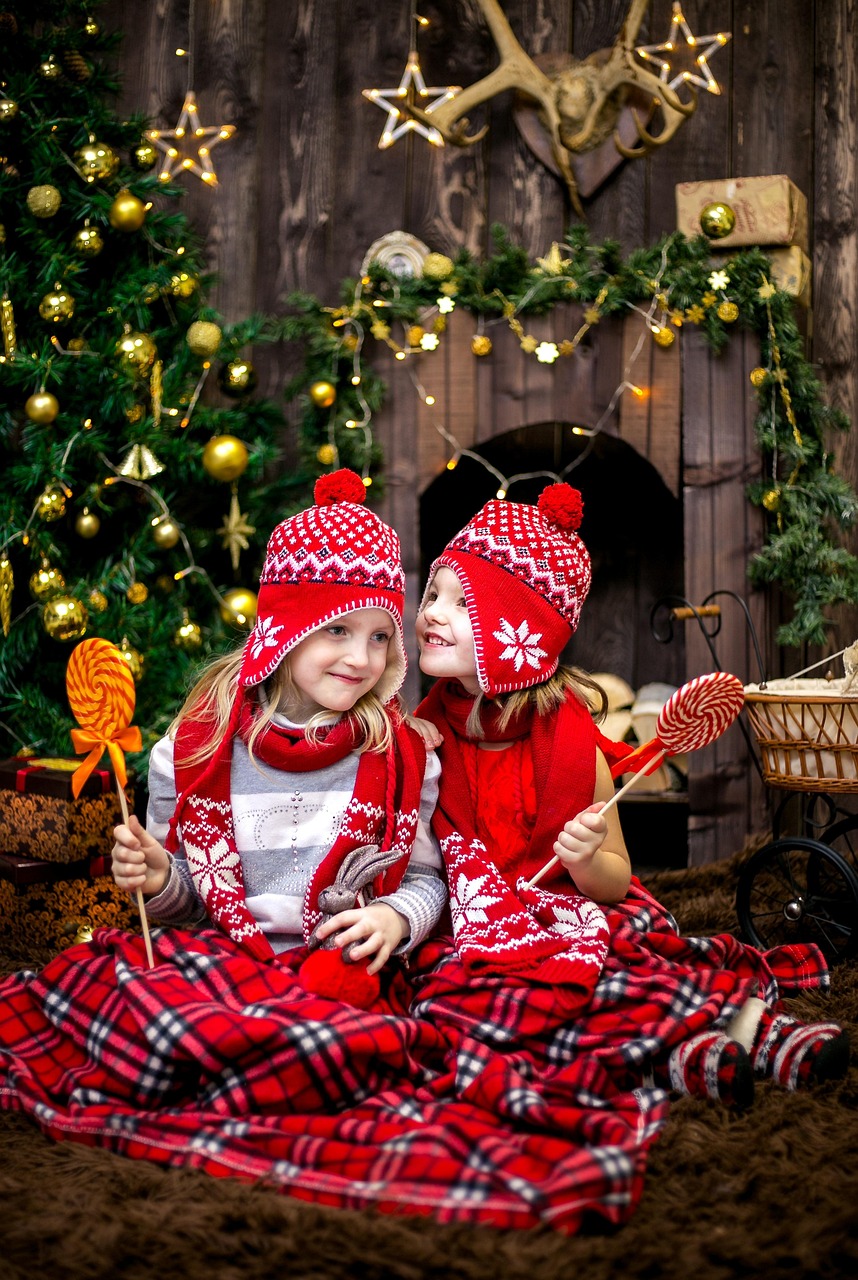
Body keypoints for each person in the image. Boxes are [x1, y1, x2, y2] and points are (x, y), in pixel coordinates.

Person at [416, 481, 850, 1109]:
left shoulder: (574, 751)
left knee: (612, 962)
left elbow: (615, 881)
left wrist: (587, 860)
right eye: (434, 594)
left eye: (463, 603)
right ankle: (671, 1059)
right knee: (469, 998)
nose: (432, 611)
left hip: (568, 909)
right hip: (472, 927)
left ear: (517, 635)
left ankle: (757, 1032)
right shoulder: (421, 744)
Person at [111, 467, 446, 1002]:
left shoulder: (400, 759)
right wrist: (158, 879)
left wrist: (394, 917)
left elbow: (426, 880)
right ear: (287, 629)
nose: (361, 659)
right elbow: (189, 903)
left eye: (380, 636)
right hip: (223, 963)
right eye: (337, 628)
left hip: (340, 974)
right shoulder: (193, 753)